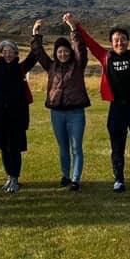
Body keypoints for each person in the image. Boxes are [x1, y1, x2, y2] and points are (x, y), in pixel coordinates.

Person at [73, 13, 130, 193]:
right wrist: (76, 26)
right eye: (116, 40)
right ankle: (119, 180)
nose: (119, 42)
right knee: (117, 147)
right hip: (116, 109)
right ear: (111, 42)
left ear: (128, 41)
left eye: (123, 39)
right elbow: (90, 43)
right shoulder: (105, 57)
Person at [30, 15, 90, 192]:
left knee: (76, 147)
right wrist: (35, 33)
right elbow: (38, 52)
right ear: (56, 53)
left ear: (70, 52)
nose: (63, 54)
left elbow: (80, 48)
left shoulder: (78, 65)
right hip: (56, 113)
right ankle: (65, 175)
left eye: (65, 51)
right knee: (63, 147)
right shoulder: (51, 67)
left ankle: (75, 179)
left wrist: (73, 27)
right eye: (59, 51)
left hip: (76, 113)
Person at [0, 23, 37, 193]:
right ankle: (9, 177)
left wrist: (35, 34)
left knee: (15, 149)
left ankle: (15, 178)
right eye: (4, 51)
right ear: (0, 53)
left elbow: (34, 55)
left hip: (16, 117)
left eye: (11, 50)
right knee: (4, 148)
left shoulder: (21, 68)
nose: (8, 53)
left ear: (16, 53)